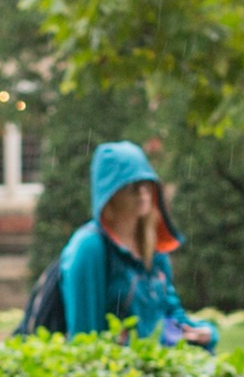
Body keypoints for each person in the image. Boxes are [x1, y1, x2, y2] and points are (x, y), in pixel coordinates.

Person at [58, 141, 216, 347]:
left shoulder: (152, 248)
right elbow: (85, 337)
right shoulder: (90, 247)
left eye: (146, 183)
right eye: (131, 185)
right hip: (116, 372)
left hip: (156, 368)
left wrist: (206, 333)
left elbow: (170, 315)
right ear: (110, 193)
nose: (142, 192)